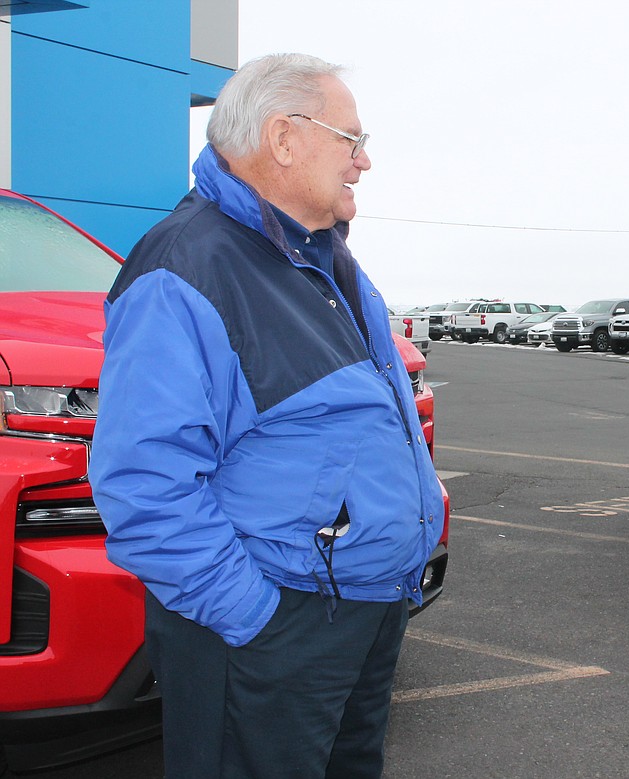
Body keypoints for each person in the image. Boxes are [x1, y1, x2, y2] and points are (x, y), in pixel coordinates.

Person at [90, 53, 444, 779]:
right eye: (351, 139)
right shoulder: (186, 267)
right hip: (276, 624)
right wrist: (255, 618)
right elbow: (145, 483)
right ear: (284, 138)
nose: (364, 160)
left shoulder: (325, 258)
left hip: (361, 613)